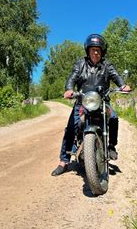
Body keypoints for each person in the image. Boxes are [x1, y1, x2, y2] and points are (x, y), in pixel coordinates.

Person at [51, 33, 131, 176]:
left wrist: (123, 85)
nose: (95, 52)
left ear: (102, 52)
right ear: (88, 51)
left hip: (102, 102)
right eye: (93, 49)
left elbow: (116, 76)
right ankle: (63, 162)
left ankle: (111, 146)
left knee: (113, 118)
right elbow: (72, 77)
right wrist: (69, 89)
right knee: (71, 128)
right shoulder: (80, 64)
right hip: (83, 102)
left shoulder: (107, 65)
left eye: (98, 50)